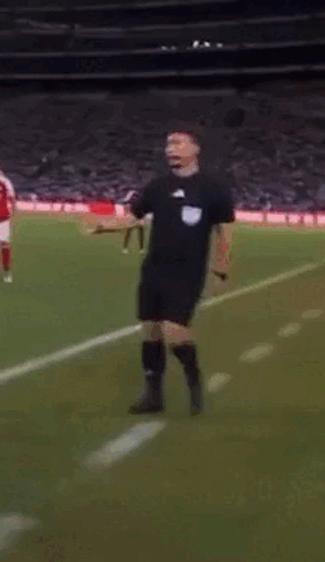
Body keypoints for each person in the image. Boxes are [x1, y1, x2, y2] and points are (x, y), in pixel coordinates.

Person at [85, 123, 234, 416]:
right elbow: (133, 218)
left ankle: (193, 380)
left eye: (178, 143)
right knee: (150, 332)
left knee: (174, 333)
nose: (171, 149)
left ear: (195, 148)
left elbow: (225, 231)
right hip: (154, 269)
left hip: (188, 272)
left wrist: (221, 268)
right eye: (168, 144)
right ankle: (153, 395)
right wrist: (102, 227)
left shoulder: (213, 189)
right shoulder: (157, 187)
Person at [120, 189, 146, 255]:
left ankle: (141, 248)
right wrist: (130, 216)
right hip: (133, 217)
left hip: (140, 217)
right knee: (129, 231)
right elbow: (125, 203)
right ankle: (125, 247)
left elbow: (144, 210)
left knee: (141, 232)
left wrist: (142, 219)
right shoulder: (133, 199)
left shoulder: (143, 200)